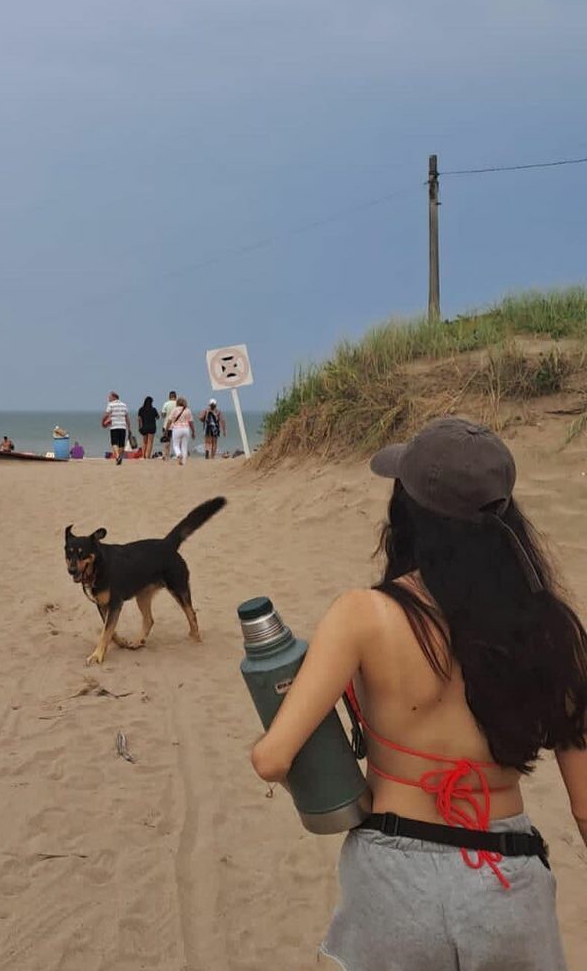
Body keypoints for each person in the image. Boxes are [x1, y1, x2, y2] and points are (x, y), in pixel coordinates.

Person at [249, 418, 587, 969]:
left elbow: (273, 759)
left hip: (394, 880)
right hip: (507, 878)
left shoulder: (364, 614)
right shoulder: (554, 628)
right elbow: (584, 807)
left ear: (407, 512)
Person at [102, 392, 131, 465]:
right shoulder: (124, 405)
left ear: (114, 397)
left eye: (110, 397)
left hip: (114, 426)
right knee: (121, 444)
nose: (109, 399)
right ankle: (119, 457)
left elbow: (106, 414)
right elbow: (127, 417)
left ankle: (117, 456)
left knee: (114, 443)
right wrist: (129, 427)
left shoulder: (111, 404)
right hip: (123, 427)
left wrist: (102, 422)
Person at [166, 396, 196, 466]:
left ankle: (179, 454)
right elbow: (191, 422)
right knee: (184, 446)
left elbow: (169, 421)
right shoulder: (188, 410)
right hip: (186, 429)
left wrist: (166, 430)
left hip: (177, 429)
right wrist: (193, 432)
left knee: (175, 445)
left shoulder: (175, 410)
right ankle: (183, 462)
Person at [160, 390, 178, 461]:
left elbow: (163, 415)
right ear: (175, 396)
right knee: (176, 442)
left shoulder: (166, 404)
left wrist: (164, 414)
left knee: (166, 441)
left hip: (166, 425)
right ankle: (177, 454)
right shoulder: (178, 404)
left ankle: (165, 455)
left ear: (169, 396)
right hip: (176, 426)